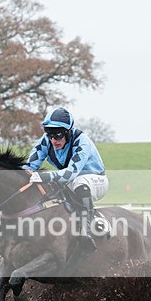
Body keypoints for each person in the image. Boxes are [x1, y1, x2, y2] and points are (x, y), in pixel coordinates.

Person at [24, 107, 108, 253]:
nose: (53, 140)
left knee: (79, 182)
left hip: (95, 179)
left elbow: (70, 173)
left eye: (57, 135)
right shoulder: (46, 141)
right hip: (69, 180)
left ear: (68, 132)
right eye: (49, 134)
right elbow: (29, 166)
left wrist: (44, 176)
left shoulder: (82, 142)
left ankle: (87, 231)